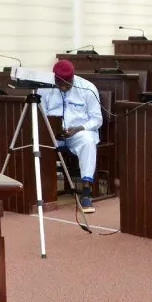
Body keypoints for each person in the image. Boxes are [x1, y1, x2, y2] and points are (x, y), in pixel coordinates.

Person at [40, 59, 103, 213]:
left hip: (79, 133)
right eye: (59, 83)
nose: (63, 87)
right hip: (53, 132)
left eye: (67, 83)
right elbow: (40, 115)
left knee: (88, 141)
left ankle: (86, 191)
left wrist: (78, 129)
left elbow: (97, 119)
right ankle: (43, 191)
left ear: (73, 77)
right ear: (54, 78)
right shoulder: (44, 88)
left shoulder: (88, 89)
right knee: (36, 141)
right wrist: (52, 128)